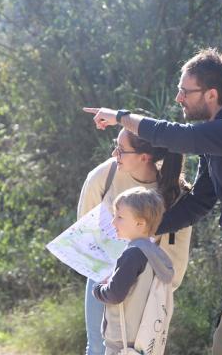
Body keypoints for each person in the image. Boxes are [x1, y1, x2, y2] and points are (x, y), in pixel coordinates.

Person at [84, 48, 222, 355]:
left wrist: (120, 117)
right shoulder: (220, 141)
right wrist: (151, 229)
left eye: (185, 91)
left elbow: (178, 137)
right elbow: (200, 201)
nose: (179, 98)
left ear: (210, 94)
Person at [77, 128, 188, 355]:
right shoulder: (103, 176)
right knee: (98, 346)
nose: (113, 154)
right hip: (104, 273)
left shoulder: (173, 191)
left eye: (120, 150)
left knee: (137, 349)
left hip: (145, 287)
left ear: (144, 157)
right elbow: (84, 225)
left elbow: (175, 251)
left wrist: (163, 291)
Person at [93, 187, 174, 355]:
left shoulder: (132, 254)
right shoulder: (156, 254)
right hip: (146, 339)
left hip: (122, 341)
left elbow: (115, 294)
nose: (113, 222)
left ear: (140, 223)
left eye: (120, 217)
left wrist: (98, 289)